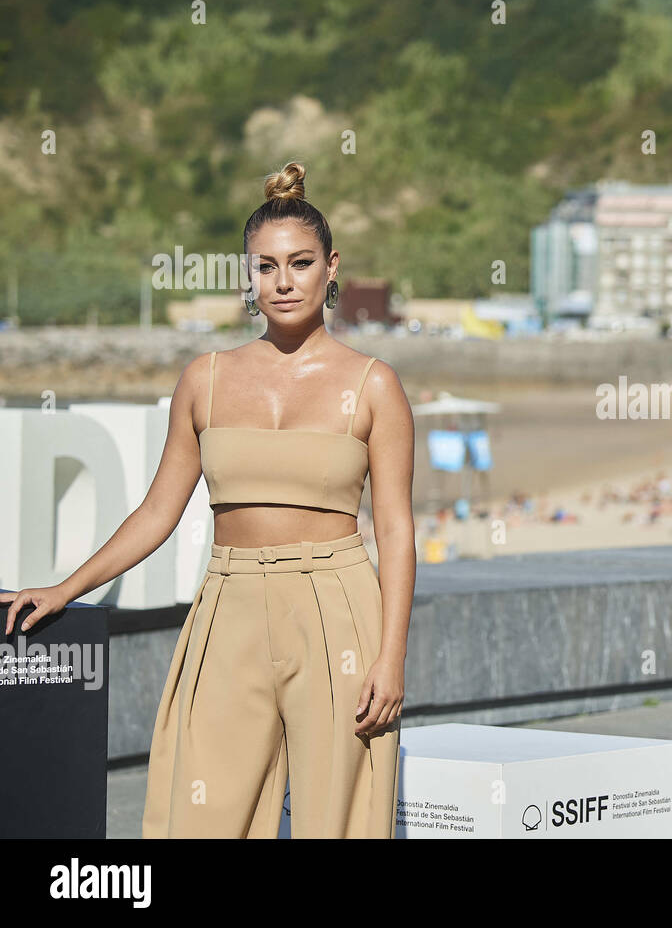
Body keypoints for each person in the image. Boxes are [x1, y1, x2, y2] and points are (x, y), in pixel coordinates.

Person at [1, 161, 415, 838]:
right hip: (229, 605)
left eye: (301, 263)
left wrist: (391, 657)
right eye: (266, 266)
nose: (283, 282)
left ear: (331, 267)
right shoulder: (207, 379)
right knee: (198, 817)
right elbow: (158, 513)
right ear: (246, 275)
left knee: (336, 822)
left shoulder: (374, 386)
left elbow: (396, 532)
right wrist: (64, 589)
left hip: (341, 609)